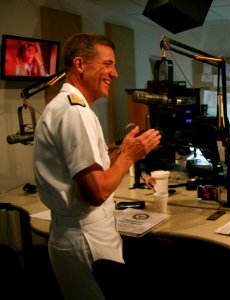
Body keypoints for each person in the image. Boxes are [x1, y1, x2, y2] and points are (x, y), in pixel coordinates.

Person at [33, 33, 161, 300]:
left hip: (76, 233)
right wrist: (128, 156)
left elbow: (94, 172)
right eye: (107, 64)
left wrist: (121, 152)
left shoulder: (63, 106)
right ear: (80, 65)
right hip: (86, 237)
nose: (114, 74)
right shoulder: (75, 112)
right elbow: (96, 192)